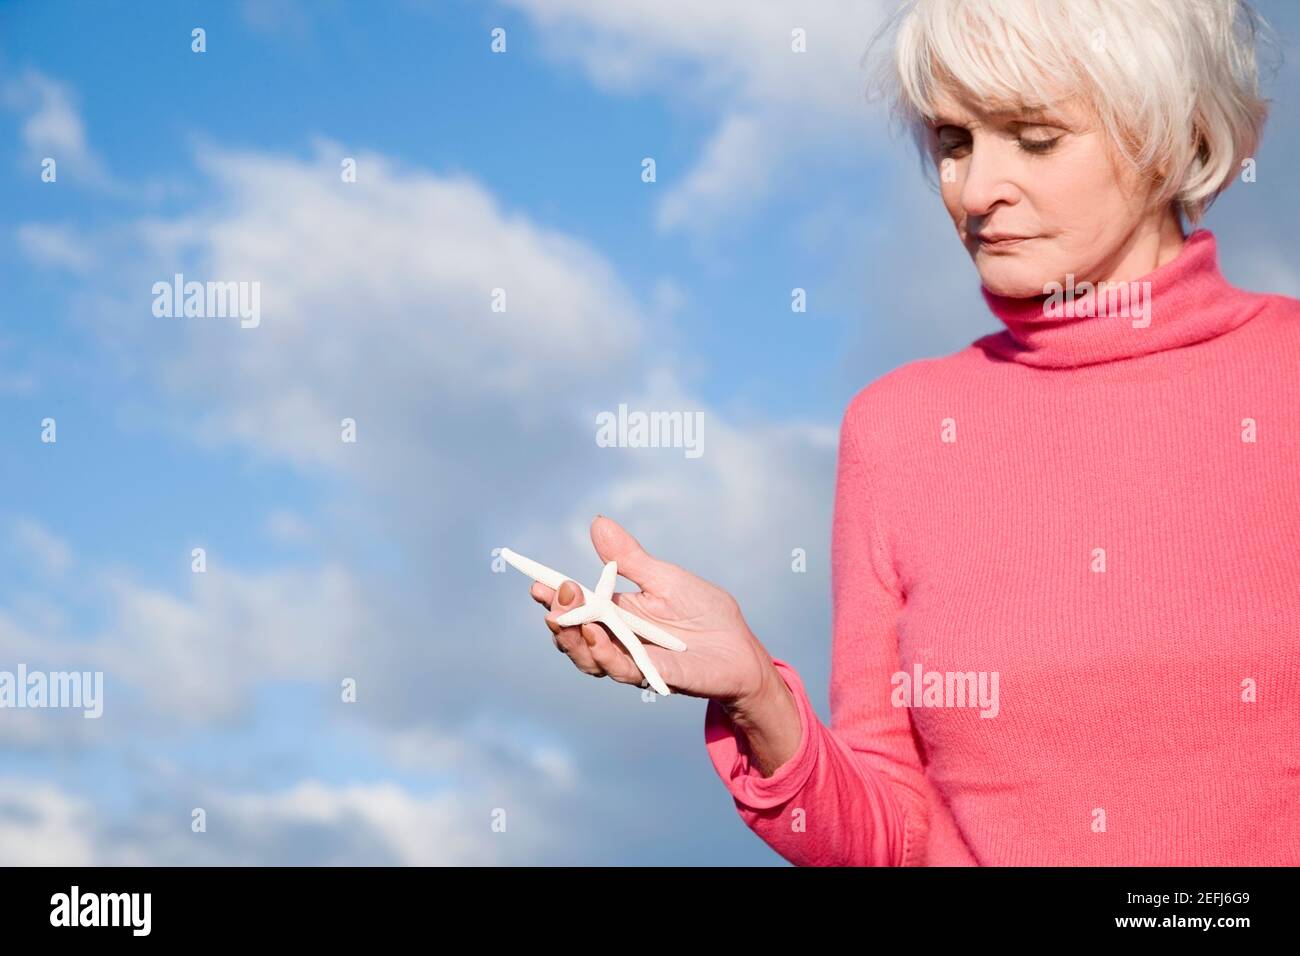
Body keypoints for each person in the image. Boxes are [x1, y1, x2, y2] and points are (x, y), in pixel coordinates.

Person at [526, 0, 1300, 865]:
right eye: (954, 141)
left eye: (1035, 138)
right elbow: (894, 833)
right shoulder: (897, 429)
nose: (974, 191)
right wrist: (758, 698)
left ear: (1176, 136)